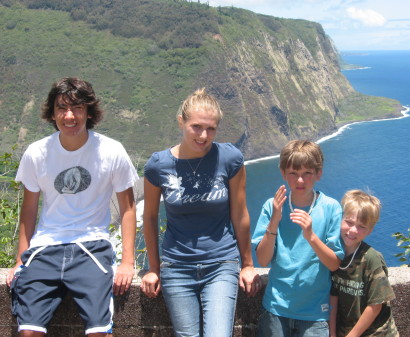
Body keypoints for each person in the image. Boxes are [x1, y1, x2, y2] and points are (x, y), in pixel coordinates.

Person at [6, 77, 139, 337]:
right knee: (29, 331)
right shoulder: (37, 153)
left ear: (89, 112)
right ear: (52, 113)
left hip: (92, 246)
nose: (70, 116)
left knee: (99, 331)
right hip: (46, 247)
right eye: (62, 108)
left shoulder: (111, 151)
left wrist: (127, 262)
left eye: (77, 108)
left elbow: (128, 207)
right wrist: (20, 261)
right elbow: (29, 210)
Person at [140, 88, 261, 337]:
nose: (204, 136)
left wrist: (248, 264)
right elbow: (150, 217)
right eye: (196, 127)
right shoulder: (158, 165)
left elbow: (240, 214)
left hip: (221, 264)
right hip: (176, 266)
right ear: (181, 121)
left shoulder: (230, 159)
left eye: (211, 129)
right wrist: (154, 268)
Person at [252, 139, 345, 337]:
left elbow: (334, 263)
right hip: (276, 308)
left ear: (318, 173)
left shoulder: (331, 208)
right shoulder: (272, 206)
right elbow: (262, 259)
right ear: (283, 173)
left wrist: (311, 236)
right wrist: (274, 221)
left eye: (307, 173)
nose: (300, 180)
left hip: (315, 314)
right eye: (293, 173)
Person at [329, 190, 399, 337]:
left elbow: (375, 305)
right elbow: (332, 298)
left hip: (376, 333)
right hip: (345, 330)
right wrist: (332, 333)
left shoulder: (371, 259)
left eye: (362, 226)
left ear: (370, 230)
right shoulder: (333, 254)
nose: (353, 230)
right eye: (349, 222)